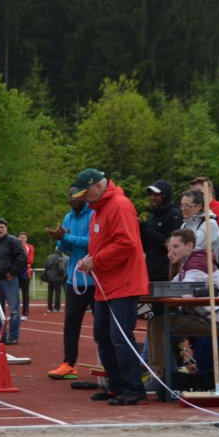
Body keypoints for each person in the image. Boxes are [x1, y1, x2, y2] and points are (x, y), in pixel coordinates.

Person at [73, 168, 149, 406]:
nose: (84, 198)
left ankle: (134, 388)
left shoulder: (119, 205)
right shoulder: (98, 211)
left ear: (97, 186)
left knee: (120, 336)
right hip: (106, 284)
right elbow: (104, 245)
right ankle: (116, 386)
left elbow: (126, 243)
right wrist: (90, 260)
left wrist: (96, 260)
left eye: (86, 193)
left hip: (123, 283)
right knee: (103, 336)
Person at [146, 228, 219, 381]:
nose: (171, 251)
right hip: (204, 317)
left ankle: (161, 375)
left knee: (159, 325)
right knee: (156, 323)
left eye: (175, 247)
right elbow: (173, 286)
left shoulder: (197, 264)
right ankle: (162, 372)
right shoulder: (189, 263)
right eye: (170, 248)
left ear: (189, 246)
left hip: (216, 320)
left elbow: (183, 289)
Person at [46, 186, 95, 380]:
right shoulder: (68, 217)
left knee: (102, 325)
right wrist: (60, 239)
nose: (73, 199)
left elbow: (93, 242)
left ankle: (109, 363)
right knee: (71, 323)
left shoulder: (94, 214)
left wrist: (67, 237)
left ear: (85, 196)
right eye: (70, 196)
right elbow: (63, 247)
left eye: (77, 196)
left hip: (95, 280)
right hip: (74, 280)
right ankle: (69, 364)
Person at [141, 180, 183, 316]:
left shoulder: (174, 215)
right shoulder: (152, 216)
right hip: (152, 271)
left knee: (169, 312)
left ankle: (173, 331)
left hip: (167, 273)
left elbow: (170, 244)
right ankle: (160, 330)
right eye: (151, 194)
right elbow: (147, 245)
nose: (153, 197)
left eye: (156, 194)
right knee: (158, 312)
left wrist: (146, 230)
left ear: (165, 195)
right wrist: (140, 230)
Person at [0, 218, 28, 345]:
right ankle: (1, 336)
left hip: (9, 281)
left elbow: (22, 258)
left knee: (14, 309)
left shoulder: (12, 241)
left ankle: (13, 336)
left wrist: (12, 272)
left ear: (6, 228)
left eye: (1, 227)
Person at [179, 189, 219, 258]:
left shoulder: (209, 224)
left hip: (205, 264)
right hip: (187, 264)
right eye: (182, 205)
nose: (183, 209)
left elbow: (194, 249)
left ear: (199, 206)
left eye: (187, 205)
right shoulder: (184, 225)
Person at [43, 247, 67, 312]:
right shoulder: (60, 259)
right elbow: (61, 269)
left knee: (50, 293)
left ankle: (49, 308)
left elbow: (45, 266)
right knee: (57, 293)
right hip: (57, 278)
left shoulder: (49, 257)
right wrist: (62, 275)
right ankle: (57, 308)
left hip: (49, 277)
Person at [17, 232, 35, 320]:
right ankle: (15, 312)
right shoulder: (14, 246)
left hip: (25, 273)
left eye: (24, 237)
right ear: (18, 238)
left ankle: (25, 313)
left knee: (25, 293)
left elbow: (30, 260)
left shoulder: (30, 247)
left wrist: (19, 262)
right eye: (20, 237)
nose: (22, 239)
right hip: (15, 272)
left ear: (26, 239)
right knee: (14, 293)